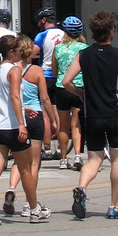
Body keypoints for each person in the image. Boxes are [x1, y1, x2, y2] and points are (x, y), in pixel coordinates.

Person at [65, 11, 118, 219]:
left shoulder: (83, 55)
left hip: (92, 115)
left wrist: (81, 93)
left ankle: (82, 187)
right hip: (114, 113)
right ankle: (114, 205)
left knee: (93, 159)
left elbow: (67, 81)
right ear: (112, 30)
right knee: (117, 159)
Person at [0, 35, 51, 225]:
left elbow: (0, 99)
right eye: (18, 50)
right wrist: (21, 123)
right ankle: (34, 209)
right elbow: (14, 96)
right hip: (12, 127)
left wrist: (22, 109)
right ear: (11, 52)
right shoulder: (14, 70)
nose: (21, 52)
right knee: (26, 169)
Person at [2, 35, 57, 218]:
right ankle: (29, 203)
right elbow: (45, 98)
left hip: (19, 117)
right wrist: (53, 119)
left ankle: (11, 188)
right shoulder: (36, 71)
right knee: (33, 164)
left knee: (19, 161)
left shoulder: (11, 69)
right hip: (35, 117)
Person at [52, 16, 87, 170]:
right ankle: (78, 155)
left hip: (61, 88)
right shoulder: (84, 48)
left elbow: (54, 71)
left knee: (63, 125)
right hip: (78, 87)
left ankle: (64, 158)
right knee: (77, 124)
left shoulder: (58, 48)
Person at [33, 7, 63, 157]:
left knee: (45, 113)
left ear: (44, 20)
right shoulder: (65, 34)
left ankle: (45, 148)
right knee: (58, 112)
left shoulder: (42, 35)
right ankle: (58, 148)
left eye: (39, 20)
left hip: (45, 75)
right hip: (61, 76)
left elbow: (32, 52)